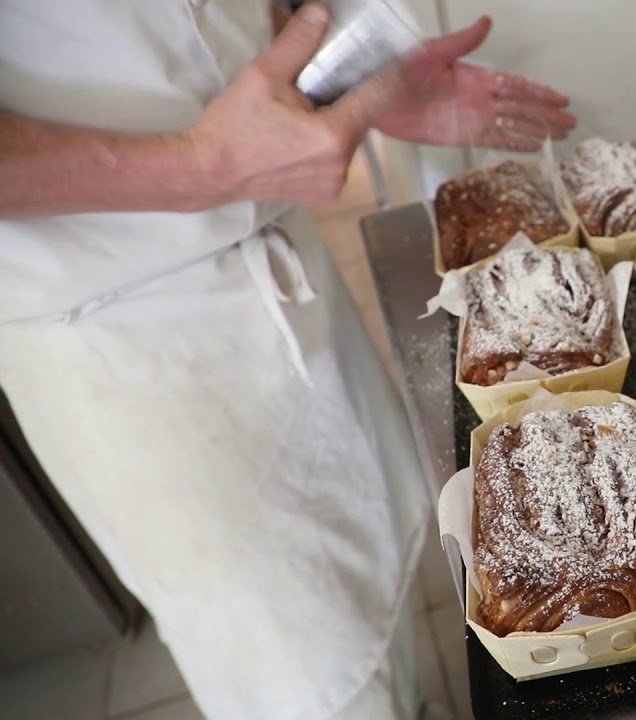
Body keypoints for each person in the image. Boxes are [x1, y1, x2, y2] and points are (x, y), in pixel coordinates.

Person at [0, 2, 574, 718]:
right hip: (129, 347)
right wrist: (203, 166)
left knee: (381, 582)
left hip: (286, 269)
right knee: (311, 678)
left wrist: (344, 86)